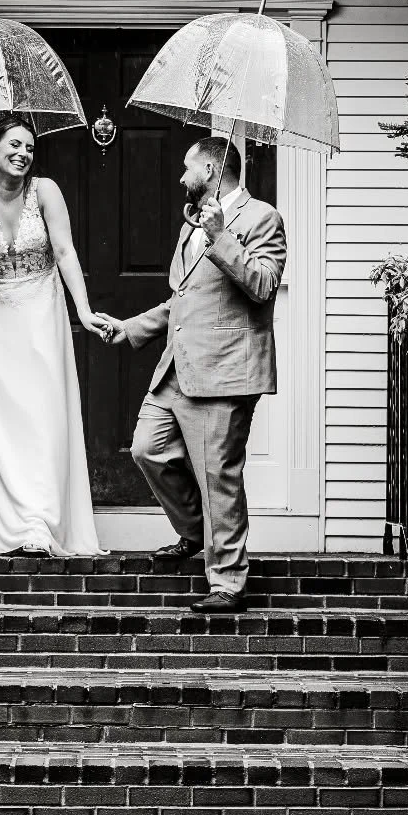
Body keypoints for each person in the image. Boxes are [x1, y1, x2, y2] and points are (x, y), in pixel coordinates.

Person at [102, 136, 287, 613]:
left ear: (210, 169)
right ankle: (196, 532)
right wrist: (130, 328)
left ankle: (227, 581)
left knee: (217, 475)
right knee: (147, 449)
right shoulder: (193, 224)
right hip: (177, 366)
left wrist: (222, 236)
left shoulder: (261, 217)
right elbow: (181, 300)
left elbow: (264, 285)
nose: (182, 177)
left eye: (188, 168)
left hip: (225, 369)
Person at [0, 114, 109, 556]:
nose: (23, 154)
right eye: (14, 145)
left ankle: (41, 523)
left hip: (42, 312)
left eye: (29, 147)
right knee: (4, 424)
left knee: (43, 419)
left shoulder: (45, 191)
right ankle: (14, 524)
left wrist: (83, 309)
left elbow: (65, 251)